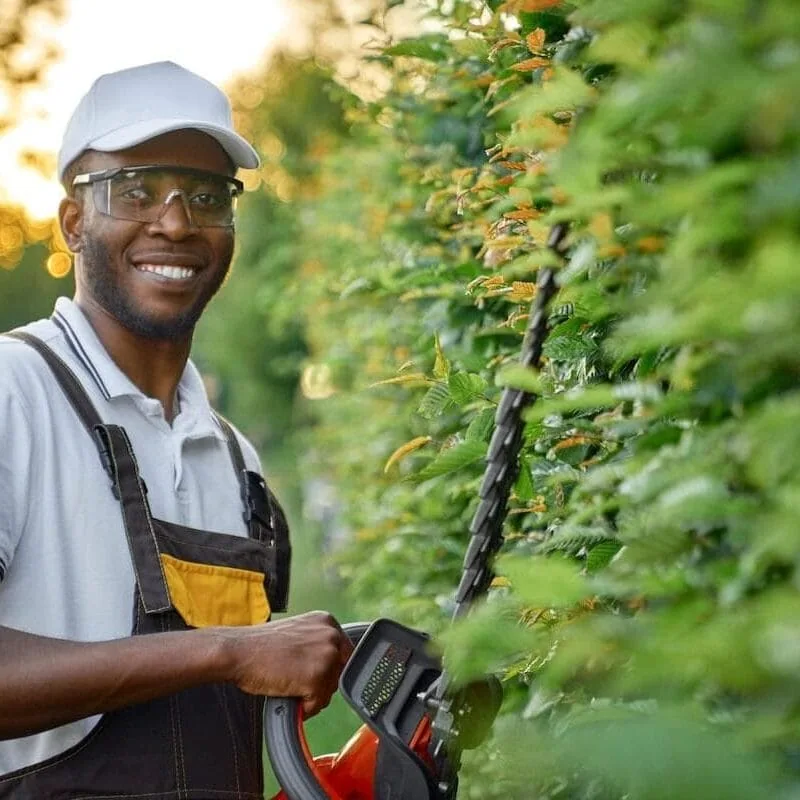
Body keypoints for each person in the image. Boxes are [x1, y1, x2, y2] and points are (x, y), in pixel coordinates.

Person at [0, 61, 352, 798]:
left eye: (205, 195)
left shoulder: (234, 458)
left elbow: (246, 696)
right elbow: (237, 656)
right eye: (136, 191)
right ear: (72, 222)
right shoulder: (14, 391)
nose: (176, 222)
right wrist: (229, 650)